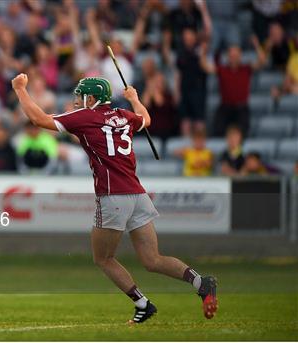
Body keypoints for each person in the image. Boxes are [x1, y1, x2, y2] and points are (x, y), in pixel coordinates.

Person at [12, 74, 218, 324]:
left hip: (113, 196)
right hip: (138, 194)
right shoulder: (124, 115)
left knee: (103, 258)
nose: (77, 100)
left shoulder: (85, 117)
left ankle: (143, 304)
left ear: (93, 98)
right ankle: (200, 282)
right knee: (153, 259)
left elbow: (38, 119)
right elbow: (146, 119)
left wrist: (20, 89)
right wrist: (135, 99)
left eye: (81, 96)